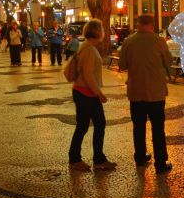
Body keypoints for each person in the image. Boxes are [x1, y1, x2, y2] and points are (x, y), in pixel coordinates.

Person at [119, 14, 173, 174]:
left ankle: (140, 156)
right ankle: (160, 163)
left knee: (138, 126)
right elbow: (168, 62)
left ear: (137, 24)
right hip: (156, 93)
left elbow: (122, 64)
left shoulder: (128, 41)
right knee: (158, 128)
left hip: (136, 92)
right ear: (151, 25)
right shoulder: (159, 41)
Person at [68, 19, 116, 171]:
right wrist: (99, 93)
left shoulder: (86, 46)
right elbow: (88, 75)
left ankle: (76, 158)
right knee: (98, 124)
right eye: (102, 29)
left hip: (82, 91)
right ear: (97, 32)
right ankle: (97, 159)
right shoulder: (89, 49)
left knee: (83, 126)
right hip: (86, 93)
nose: (104, 32)